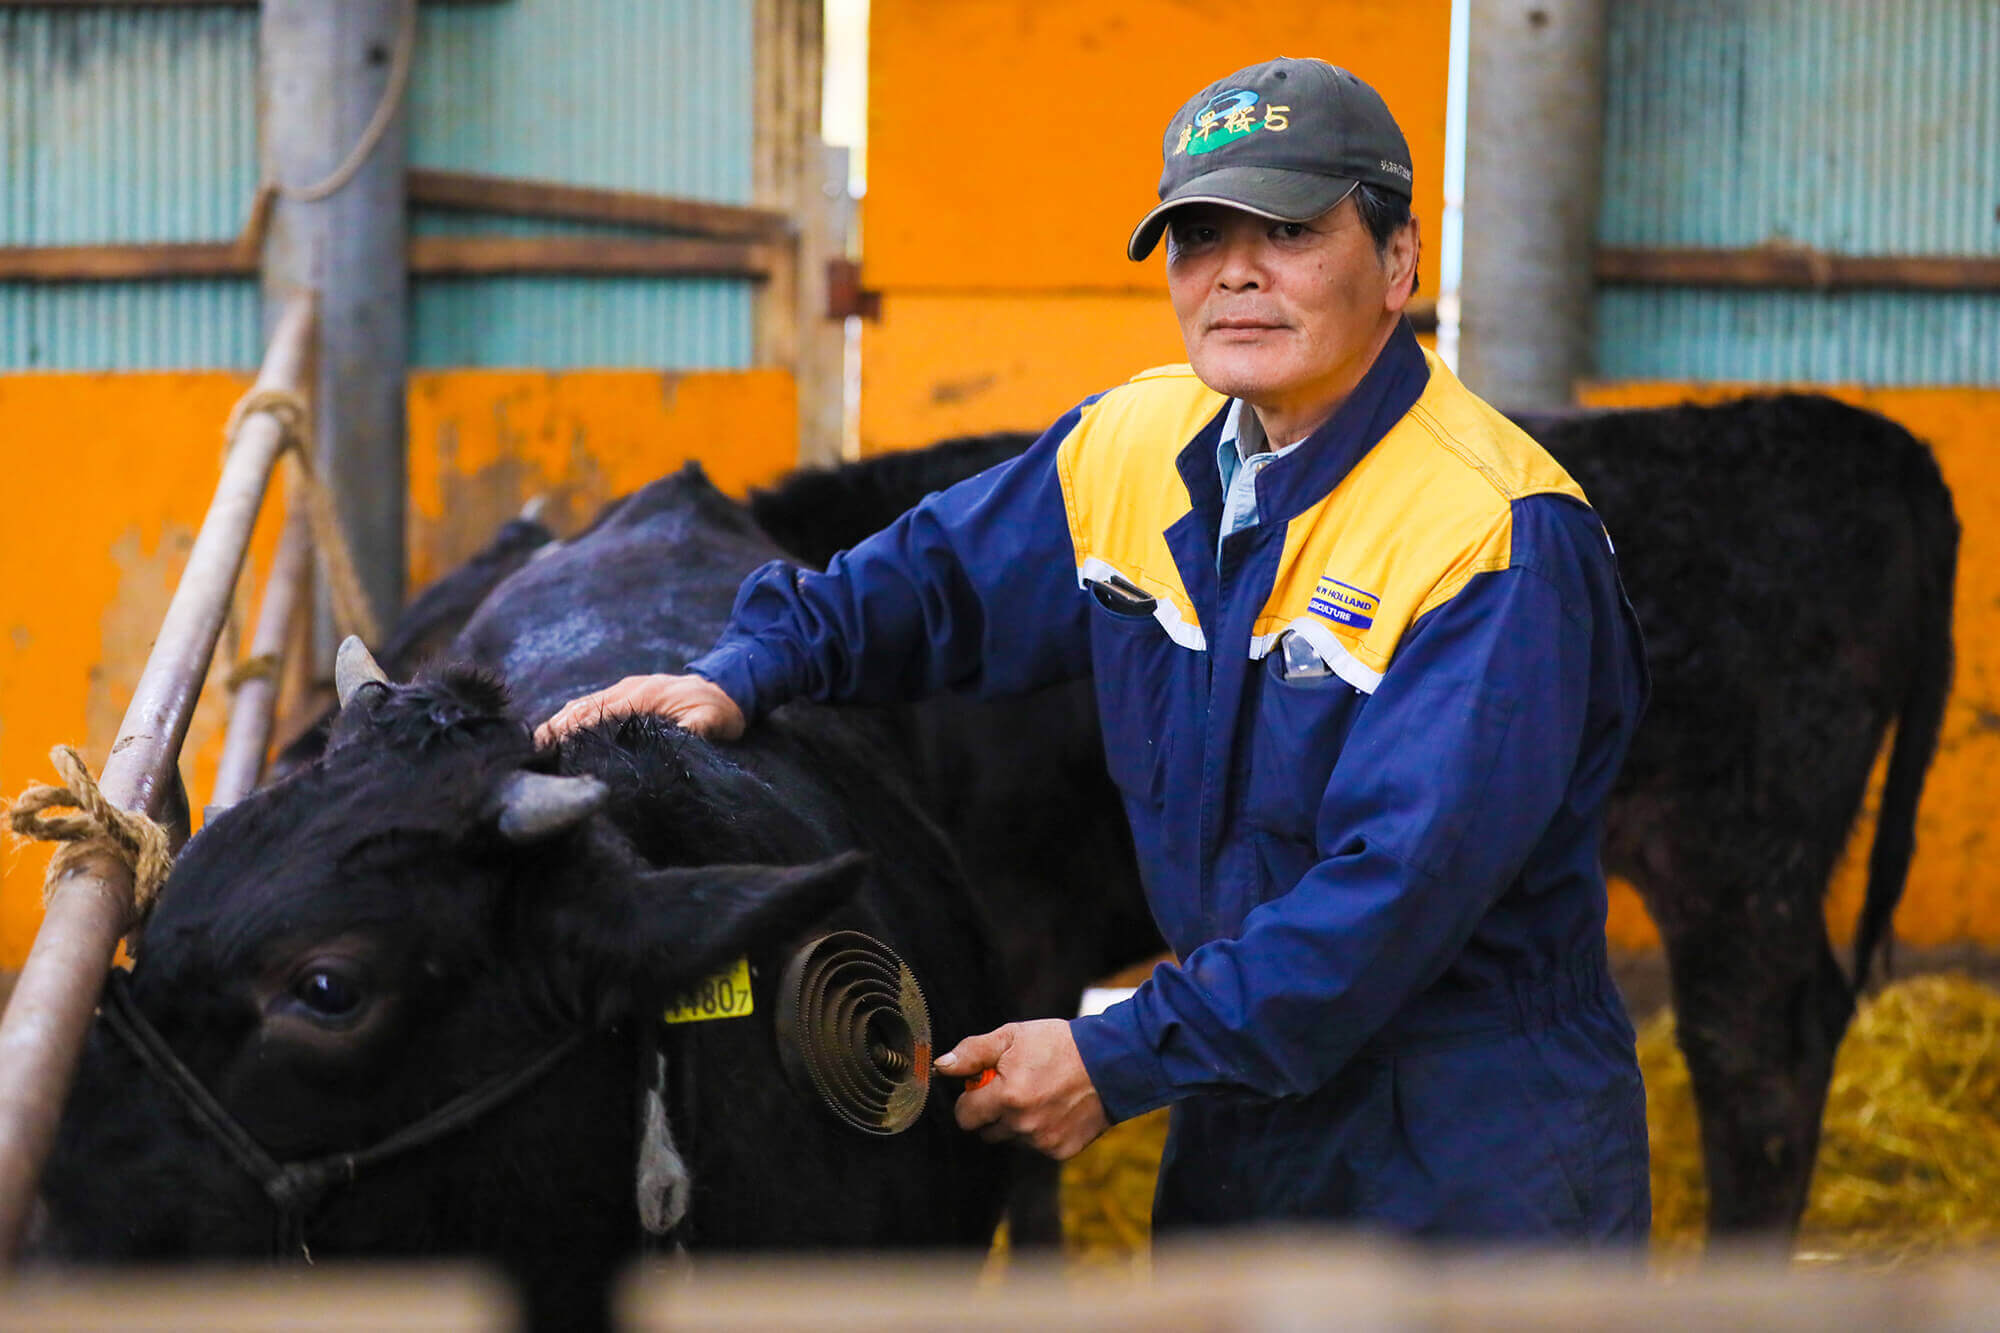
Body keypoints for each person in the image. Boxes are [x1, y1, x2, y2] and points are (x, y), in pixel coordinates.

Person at [537, 57, 1651, 1243]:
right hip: (1243, 1106)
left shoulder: (1493, 541)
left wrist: (1114, 1054)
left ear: (1397, 263)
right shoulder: (1138, 445)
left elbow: (1385, 906)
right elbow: (933, 578)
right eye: (1195, 235)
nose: (1232, 272)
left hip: (1470, 1147)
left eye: (1285, 230)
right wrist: (743, 670)